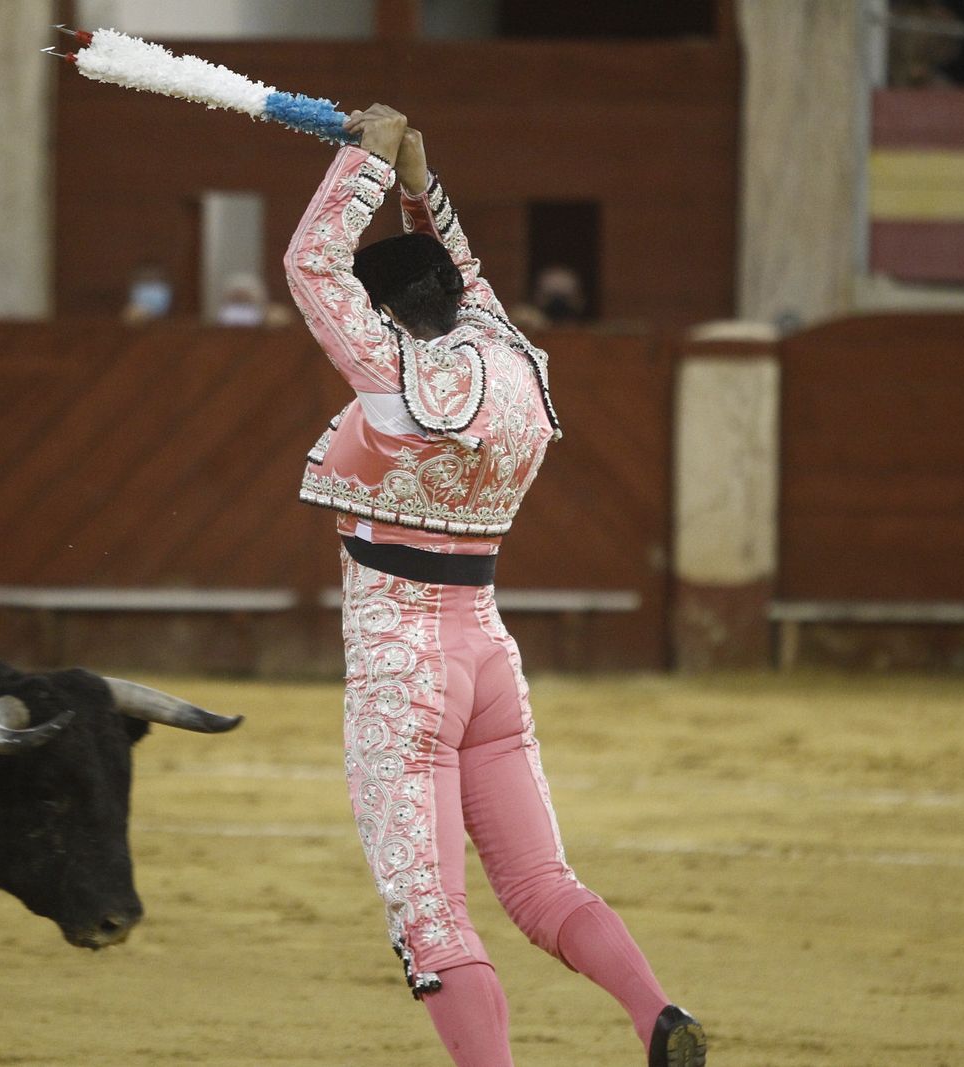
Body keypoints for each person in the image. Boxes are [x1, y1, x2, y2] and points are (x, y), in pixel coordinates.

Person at [283, 103, 705, 1067]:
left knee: (431, 914)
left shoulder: (399, 383)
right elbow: (466, 272)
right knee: (541, 882)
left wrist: (363, 164)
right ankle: (657, 1013)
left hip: (404, 666)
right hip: (486, 656)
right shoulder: (511, 356)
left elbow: (311, 264)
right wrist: (417, 182)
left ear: (387, 316)